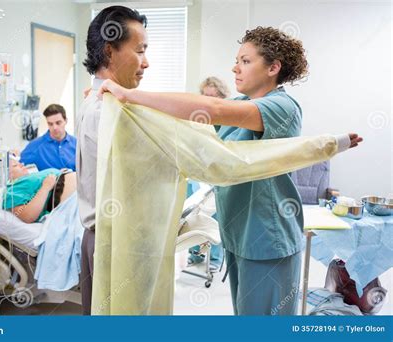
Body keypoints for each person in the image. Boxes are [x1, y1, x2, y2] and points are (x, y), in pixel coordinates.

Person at [98, 26, 362, 315]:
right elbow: (186, 121)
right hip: (239, 236)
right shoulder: (243, 103)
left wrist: (129, 95)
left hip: (267, 239)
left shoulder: (282, 106)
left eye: (246, 61)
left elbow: (213, 108)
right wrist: (116, 103)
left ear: (273, 67)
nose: (235, 67)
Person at [76, 5, 149, 315]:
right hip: (112, 245)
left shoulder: (100, 103)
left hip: (107, 241)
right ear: (110, 50)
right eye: (140, 51)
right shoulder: (104, 112)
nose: (147, 62)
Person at [187, 76, 231, 271]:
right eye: (204, 96)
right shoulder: (198, 118)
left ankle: (213, 257)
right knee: (193, 213)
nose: (207, 100)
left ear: (222, 97)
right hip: (199, 172)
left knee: (215, 216)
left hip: (220, 174)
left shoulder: (229, 120)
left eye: (212, 96)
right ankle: (195, 253)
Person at [3, 160, 76, 223]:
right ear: (5, 175)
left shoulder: (29, 178)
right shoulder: (12, 190)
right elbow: (28, 216)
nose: (22, 164)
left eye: (19, 163)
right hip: (64, 194)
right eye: (15, 165)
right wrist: (45, 187)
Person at [19, 104, 77, 171]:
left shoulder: (77, 144)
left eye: (58, 123)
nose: (54, 127)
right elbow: (19, 169)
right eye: (50, 124)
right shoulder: (35, 146)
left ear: (66, 121)